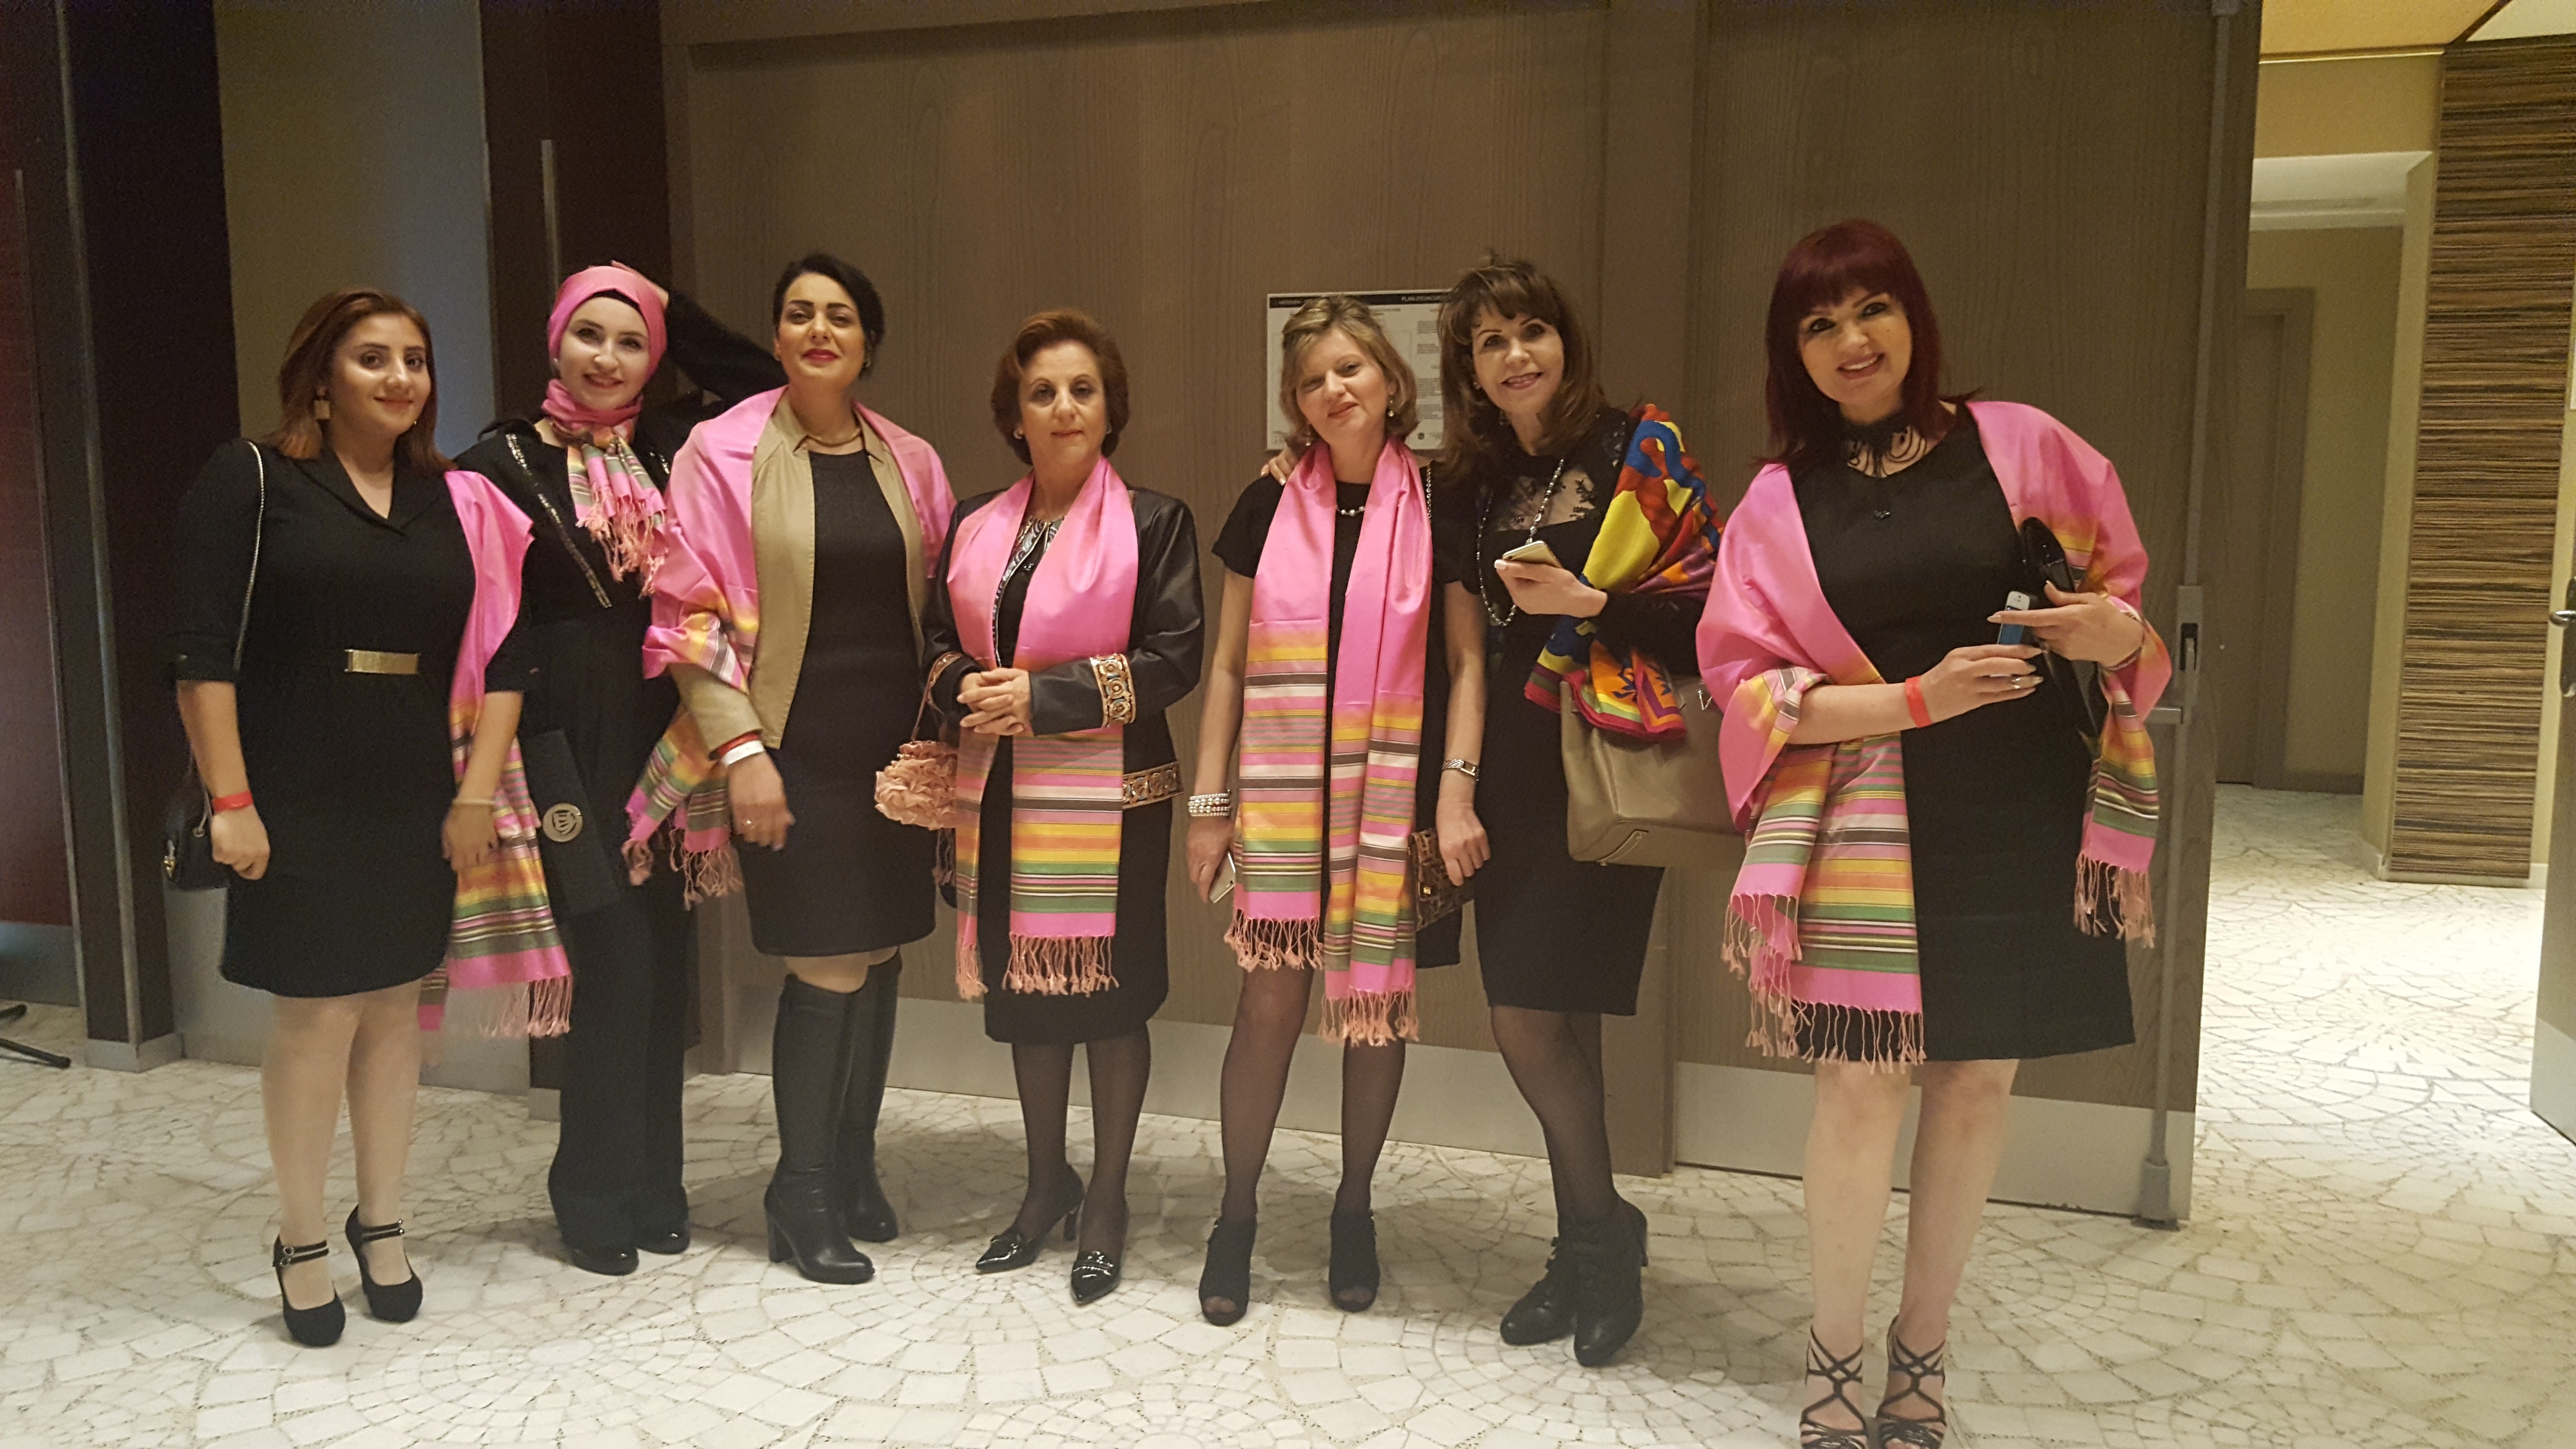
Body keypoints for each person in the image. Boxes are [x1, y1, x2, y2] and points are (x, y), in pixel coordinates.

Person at [1697, 219, 2168, 1449]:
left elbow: (2122, 610)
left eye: (1873, 309)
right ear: (1791, 352)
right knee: (1860, 1087)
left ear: (1913, 316)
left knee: (1973, 1085)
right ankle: (1833, 1356)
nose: (1851, 341)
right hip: (1862, 814)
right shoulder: (1776, 502)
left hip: (2018, 804)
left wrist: (2113, 635)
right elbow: (1750, 693)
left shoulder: (2019, 444)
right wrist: (1917, 700)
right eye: (1819, 324)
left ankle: (1923, 1352)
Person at [174, 289, 562, 1347]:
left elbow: (506, 659)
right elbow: (201, 657)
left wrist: (476, 795)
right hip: (292, 777)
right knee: (316, 1016)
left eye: (415, 361)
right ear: (320, 376)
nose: (400, 379)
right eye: (372, 358)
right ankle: (301, 1238)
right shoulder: (254, 479)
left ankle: (381, 1221)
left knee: (394, 1009)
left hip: (414, 780)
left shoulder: (456, 501)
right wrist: (231, 802)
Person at [453, 264, 781, 1277]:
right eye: (588, 334)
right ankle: (592, 1195)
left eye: (631, 340)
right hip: (560, 735)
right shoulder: (499, 462)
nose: (607, 358)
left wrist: (664, 303)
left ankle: (654, 1189)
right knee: (612, 966)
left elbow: (762, 383)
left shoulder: (672, 444)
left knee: (662, 962)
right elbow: (488, 622)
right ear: (554, 341)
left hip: (665, 725)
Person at [638, 254, 957, 1285]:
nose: (820, 330)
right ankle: (801, 1192)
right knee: (826, 959)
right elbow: (686, 617)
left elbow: (939, 604)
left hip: (893, 749)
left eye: (841, 316)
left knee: (882, 951)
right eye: (799, 314)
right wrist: (741, 751)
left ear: (868, 342)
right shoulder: (721, 451)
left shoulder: (911, 459)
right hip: (789, 744)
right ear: (776, 337)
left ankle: (854, 1168)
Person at [1435, 256, 1721, 1367]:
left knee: (1544, 1019)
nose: (1515, 356)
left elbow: (1713, 617)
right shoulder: (1469, 481)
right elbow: (1464, 652)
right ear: (1468, 368)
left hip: (1603, 760)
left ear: (1565, 339)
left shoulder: (1638, 451)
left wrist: (1593, 602)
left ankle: (1595, 1245)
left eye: (1531, 332)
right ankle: (1594, 1237)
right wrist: (1456, 784)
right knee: (1546, 1020)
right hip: (1510, 769)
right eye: (1489, 342)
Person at [1183, 295, 1486, 1324]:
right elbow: (1229, 665)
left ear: (1393, 382)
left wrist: (1455, 789)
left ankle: (1353, 1211)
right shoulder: (1268, 503)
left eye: (1350, 368)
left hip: (1387, 803)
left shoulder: (1441, 502)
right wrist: (1209, 803)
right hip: (1280, 803)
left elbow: (1467, 663)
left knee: (1371, 1013)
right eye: (1312, 379)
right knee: (1266, 1007)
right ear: (1296, 402)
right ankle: (1236, 1217)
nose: (1333, 389)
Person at [922, 309, 1204, 1306]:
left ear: (1110, 408)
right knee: (1028, 1002)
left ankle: (1109, 1199)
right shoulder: (973, 526)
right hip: (1001, 792)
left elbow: (1176, 658)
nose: (1064, 407)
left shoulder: (1157, 523)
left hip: (1114, 803)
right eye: (1042, 392)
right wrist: (967, 685)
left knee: (1110, 1002)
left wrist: (1045, 698)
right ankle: (1047, 1185)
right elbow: (935, 642)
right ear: (1015, 416)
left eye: (1083, 389)